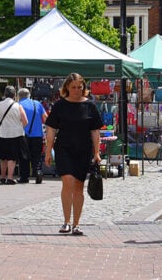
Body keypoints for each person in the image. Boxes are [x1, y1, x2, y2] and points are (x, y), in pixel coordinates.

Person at [44, 73, 102, 236]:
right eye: (73, 87)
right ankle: (66, 221)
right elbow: (51, 129)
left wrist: (97, 152)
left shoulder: (90, 106)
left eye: (79, 87)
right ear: (67, 88)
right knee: (67, 182)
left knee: (78, 186)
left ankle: (76, 223)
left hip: (83, 150)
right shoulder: (60, 105)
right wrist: (48, 150)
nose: (77, 90)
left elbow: (95, 131)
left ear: (84, 87)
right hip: (64, 149)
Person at [0, 86, 27, 185]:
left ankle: (3, 176)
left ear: (5, 94)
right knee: (12, 157)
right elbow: (25, 121)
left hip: (1, 134)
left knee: (3, 157)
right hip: (15, 135)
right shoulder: (18, 106)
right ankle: (10, 177)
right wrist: (18, 127)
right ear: (14, 95)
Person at [18, 87, 48, 184]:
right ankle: (38, 171)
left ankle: (24, 177)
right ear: (29, 95)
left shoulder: (18, 105)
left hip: (23, 135)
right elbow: (45, 118)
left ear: (19, 96)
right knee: (37, 156)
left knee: (24, 157)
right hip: (38, 134)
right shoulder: (37, 104)